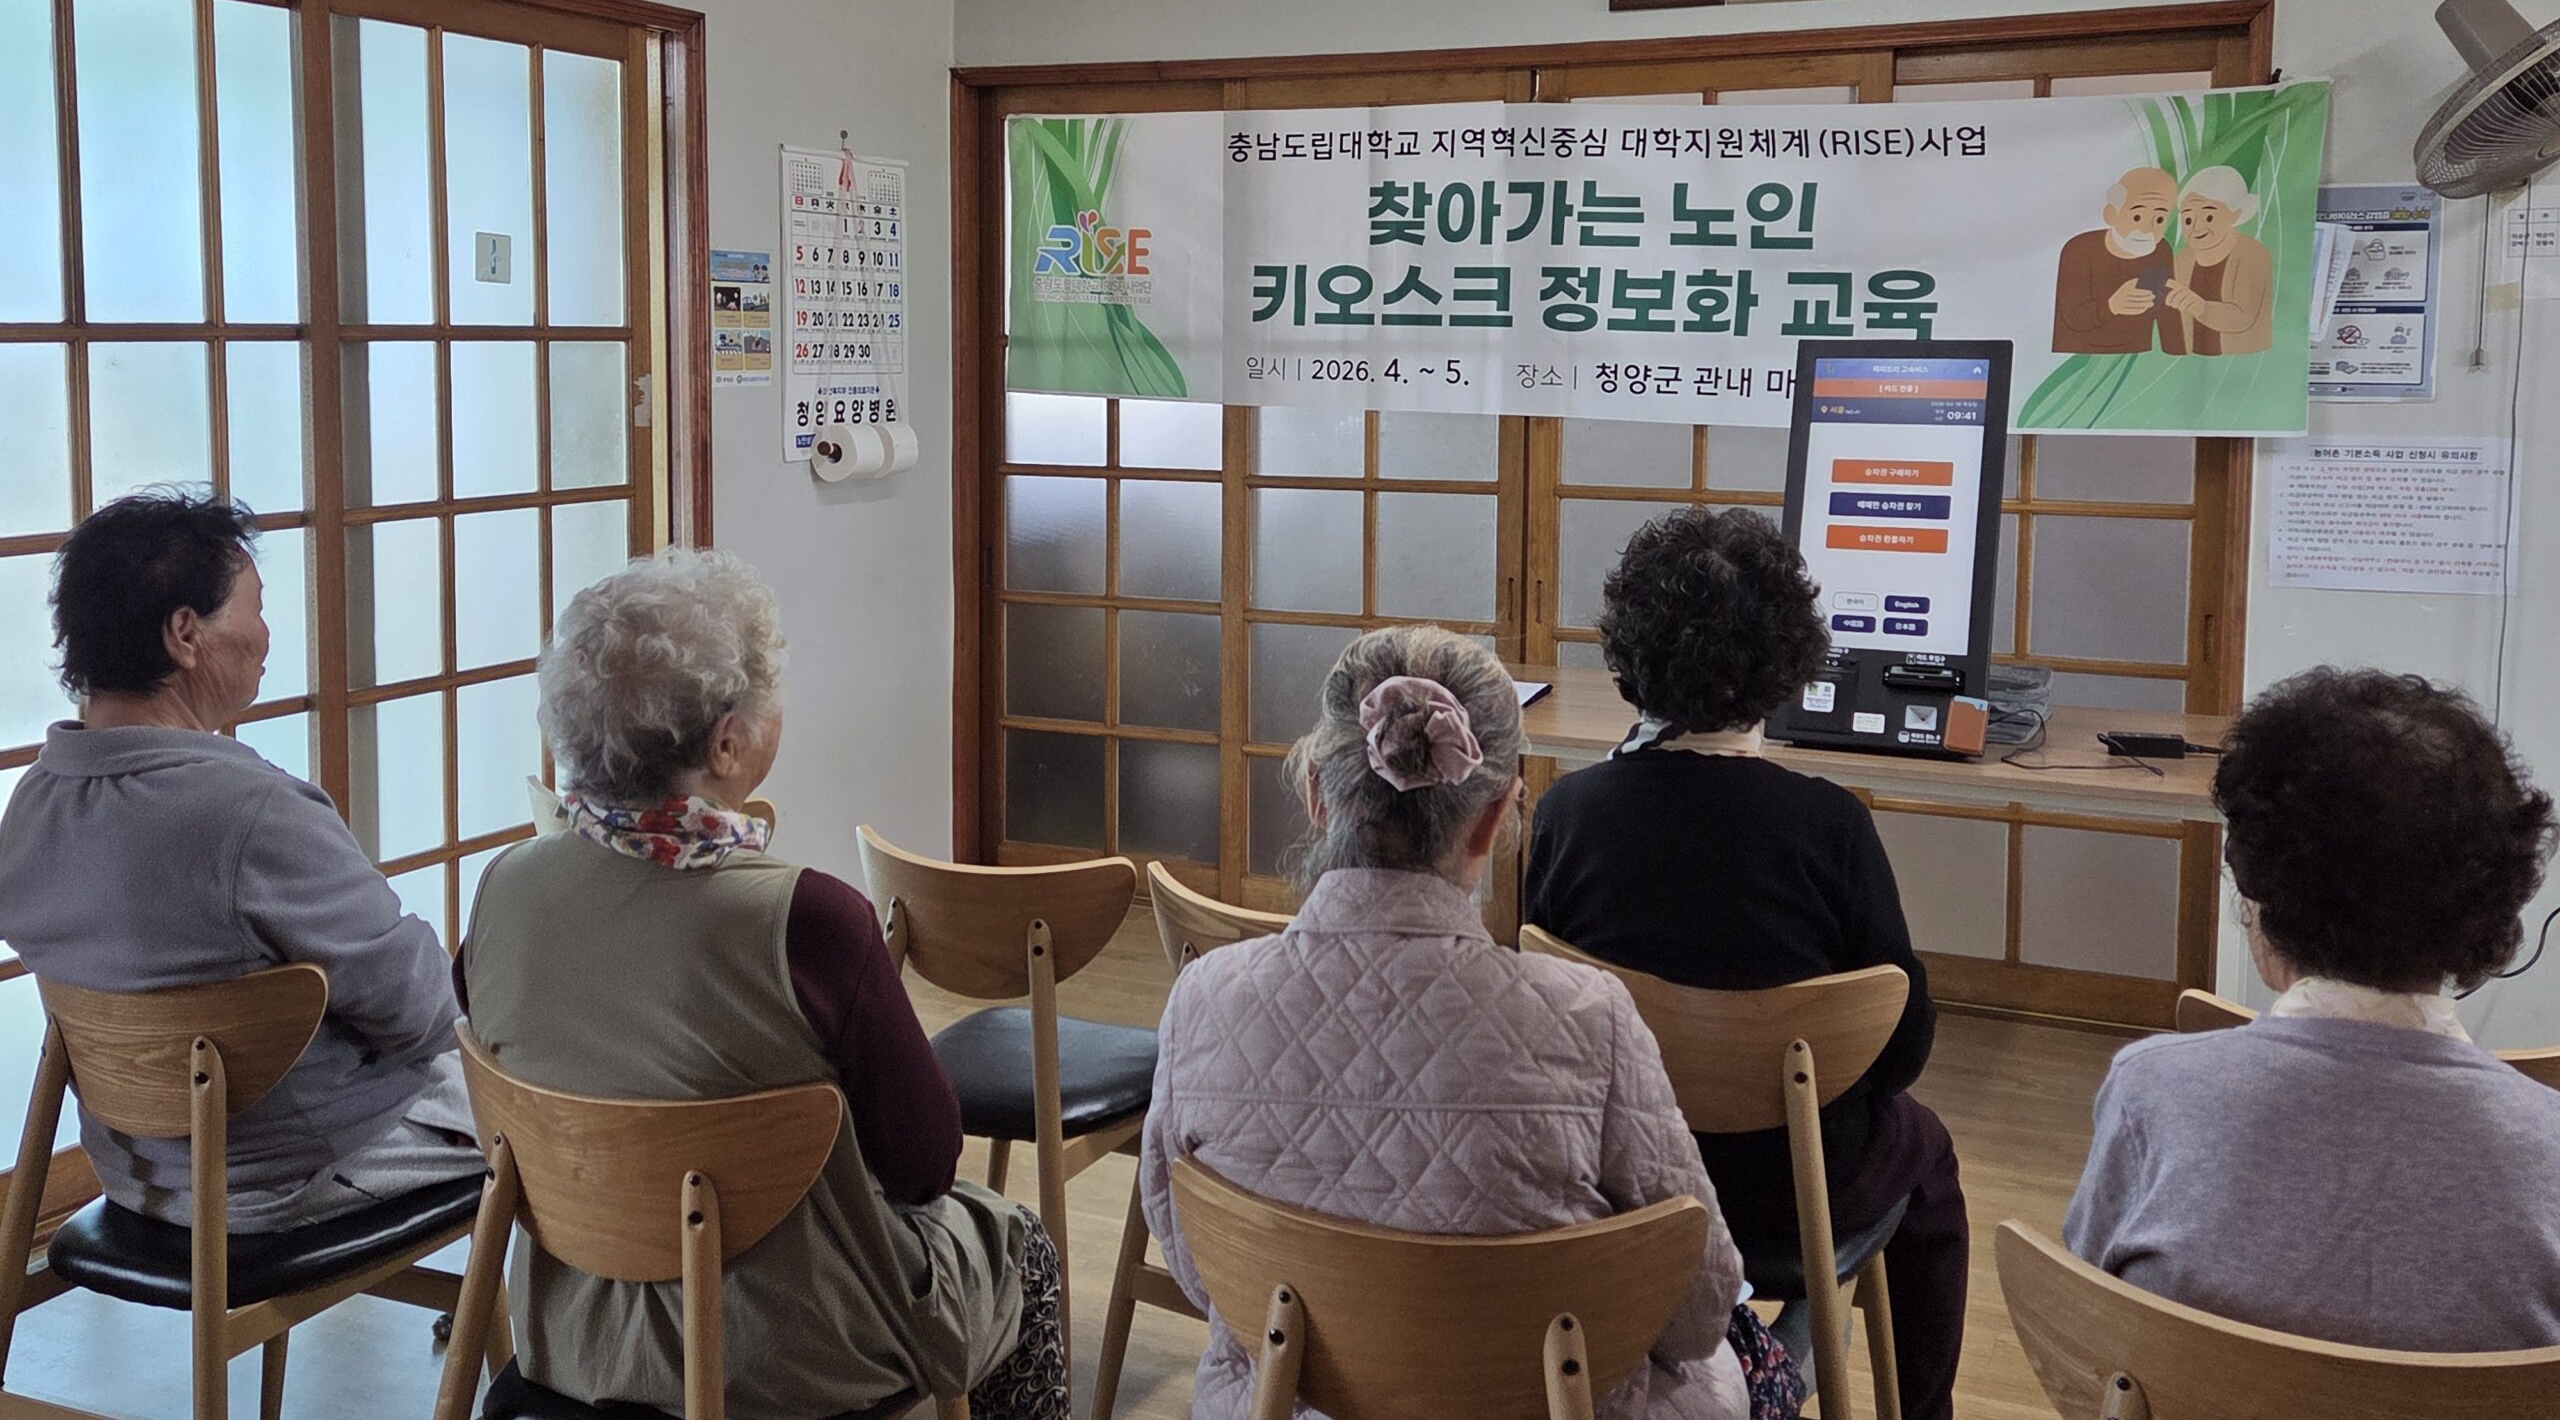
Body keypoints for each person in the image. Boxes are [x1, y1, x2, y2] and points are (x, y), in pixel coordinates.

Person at [455, 550, 1066, 1419]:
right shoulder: (807, 922)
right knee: (1021, 1249)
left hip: (575, 1327)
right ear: (729, 744)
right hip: (790, 1345)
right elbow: (926, 1163)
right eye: (768, 688)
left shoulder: (503, 889)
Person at [1144, 626, 1792, 1420]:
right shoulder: (1589, 1017)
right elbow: (1697, 1307)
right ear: (1495, 821)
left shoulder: (1202, 999)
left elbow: (1194, 1260)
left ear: (1315, 791)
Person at [1523, 509, 1966, 1420]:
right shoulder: (1828, 823)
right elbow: (1900, 1041)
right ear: (1787, 661)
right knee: (1925, 1148)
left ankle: (1752, 1354)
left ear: (1630, 655)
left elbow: (1539, 1007)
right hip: (1793, 1189)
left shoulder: (1571, 813)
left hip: (1620, 1179)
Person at [0, 488, 482, 1229]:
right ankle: (546, 1346)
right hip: (287, 1174)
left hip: (139, 1177)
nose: (265, 633)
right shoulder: (250, 811)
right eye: (253, 607)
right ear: (186, 634)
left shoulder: (32, 804)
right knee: (558, 1117)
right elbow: (418, 1011)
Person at [2065, 668, 2560, 1347]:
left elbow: (2087, 1313)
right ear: (2495, 900)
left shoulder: (2152, 1088)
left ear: (2261, 892)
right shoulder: (2548, 1147)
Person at [2050, 166, 2180, 354]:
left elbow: (2167, 318)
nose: (2147, 229)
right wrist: (2112, 305)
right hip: (2080, 358)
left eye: (2159, 219)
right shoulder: (2079, 249)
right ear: (2111, 214)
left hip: (2136, 357)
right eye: (2137, 216)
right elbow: (2074, 318)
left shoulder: (2160, 251)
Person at [2163, 162, 2274, 354]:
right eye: (2188, 219)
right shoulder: (2184, 258)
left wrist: (2201, 307)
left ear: (2235, 214)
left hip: (2239, 363)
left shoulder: (2253, 254)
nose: (2196, 227)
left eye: (2208, 217)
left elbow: (2244, 318)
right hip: (2191, 362)